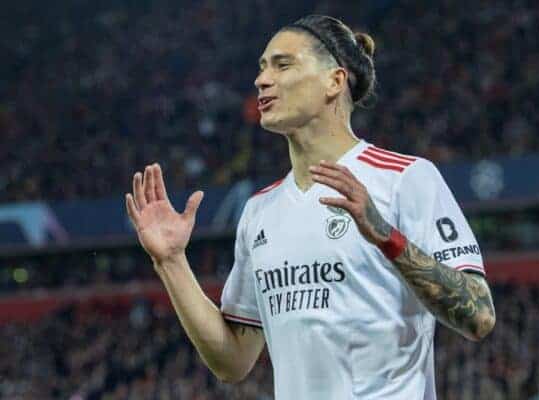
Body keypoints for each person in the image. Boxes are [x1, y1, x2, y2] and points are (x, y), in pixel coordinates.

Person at [125, 15, 496, 400]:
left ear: (334, 81)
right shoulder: (259, 212)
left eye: (283, 65)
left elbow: (479, 316)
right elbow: (232, 361)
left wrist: (386, 236)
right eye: (262, 67)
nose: (261, 80)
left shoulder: (406, 179)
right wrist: (171, 262)